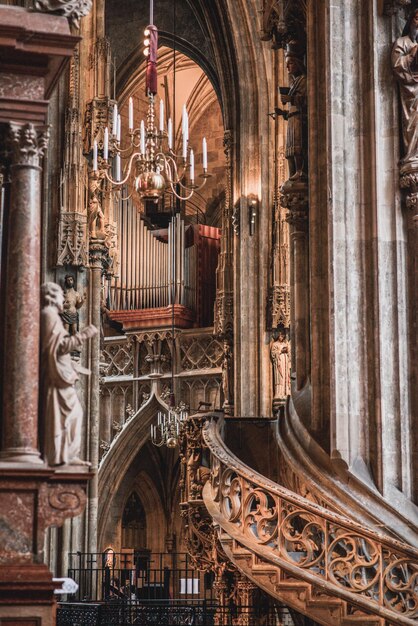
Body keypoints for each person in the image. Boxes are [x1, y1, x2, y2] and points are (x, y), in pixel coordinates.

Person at [40, 282, 97, 466]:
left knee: (73, 415)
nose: (63, 299)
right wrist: (85, 334)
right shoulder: (49, 315)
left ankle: (67, 456)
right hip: (58, 377)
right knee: (71, 415)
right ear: (51, 296)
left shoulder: (52, 316)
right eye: (59, 295)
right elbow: (59, 347)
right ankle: (61, 457)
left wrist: (72, 365)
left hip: (62, 374)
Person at [277, 44, 307, 180]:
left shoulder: (304, 80)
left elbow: (306, 100)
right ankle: (293, 173)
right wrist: (283, 114)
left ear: (298, 63)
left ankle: (300, 171)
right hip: (292, 118)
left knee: (297, 146)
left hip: (299, 119)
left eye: (290, 64)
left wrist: (291, 98)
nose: (287, 67)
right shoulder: (294, 83)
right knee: (290, 150)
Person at [392, 9, 418, 163]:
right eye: (416, 18)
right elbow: (396, 65)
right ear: (410, 22)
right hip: (411, 92)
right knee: (413, 123)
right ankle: (412, 155)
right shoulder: (402, 42)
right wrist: (412, 56)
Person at [270, 330, 291, 402]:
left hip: (285, 363)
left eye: (283, 335)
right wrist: (281, 351)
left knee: (286, 377)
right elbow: (273, 354)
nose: (282, 337)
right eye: (281, 335)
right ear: (278, 335)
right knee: (280, 377)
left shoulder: (286, 344)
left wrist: (288, 350)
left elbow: (290, 355)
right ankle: (279, 393)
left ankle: (286, 392)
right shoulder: (275, 344)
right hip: (279, 363)